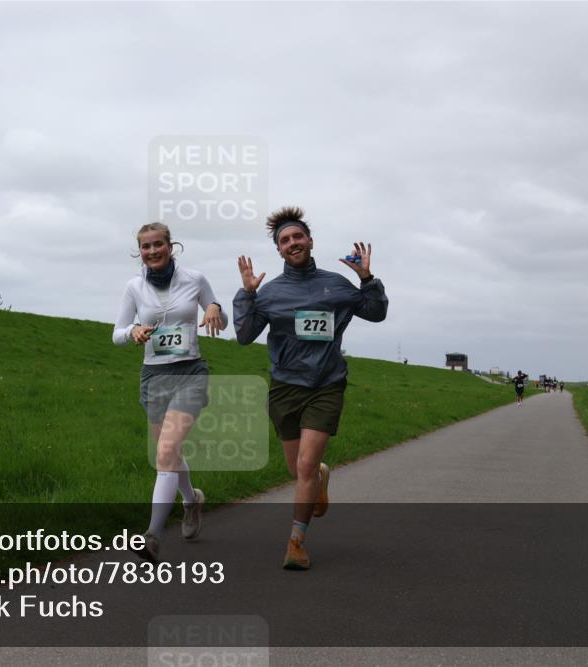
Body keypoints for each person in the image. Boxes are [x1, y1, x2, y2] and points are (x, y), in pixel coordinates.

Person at [233, 206, 388, 570]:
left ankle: (296, 542)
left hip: (326, 384)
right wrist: (247, 296)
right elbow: (243, 336)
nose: (292, 243)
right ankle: (319, 476)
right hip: (285, 387)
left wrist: (367, 279)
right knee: (299, 469)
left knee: (304, 464)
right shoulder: (269, 293)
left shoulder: (335, 284)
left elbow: (376, 312)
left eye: (297, 236)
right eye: (285, 240)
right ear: (279, 250)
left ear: (310, 240)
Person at [113, 222, 228, 563]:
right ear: (139, 251)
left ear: (170, 246)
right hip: (154, 377)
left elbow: (219, 319)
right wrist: (133, 331)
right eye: (145, 247)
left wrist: (214, 310)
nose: (152, 251)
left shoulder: (195, 279)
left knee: (166, 450)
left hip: (190, 373)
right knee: (168, 455)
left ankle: (152, 537)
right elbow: (116, 333)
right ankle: (192, 501)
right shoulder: (134, 287)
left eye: (158, 244)